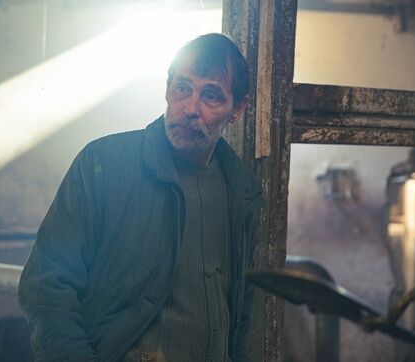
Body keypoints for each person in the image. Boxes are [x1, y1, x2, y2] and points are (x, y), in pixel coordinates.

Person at [18, 33, 265, 362]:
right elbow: (47, 287)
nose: (190, 108)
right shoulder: (103, 164)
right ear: (167, 88)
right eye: (182, 88)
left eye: (211, 96)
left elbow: (240, 315)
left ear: (237, 109)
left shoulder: (241, 191)